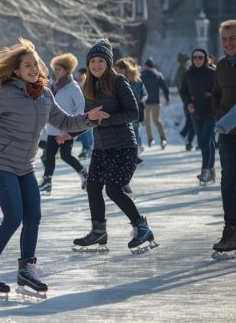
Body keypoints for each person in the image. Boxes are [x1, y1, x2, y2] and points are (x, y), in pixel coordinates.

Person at [0, 39, 105, 299]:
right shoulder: (5, 94)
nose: (33, 68)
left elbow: (63, 121)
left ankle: (27, 269)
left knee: (34, 215)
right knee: (14, 216)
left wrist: (88, 119)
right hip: (0, 162)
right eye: (27, 65)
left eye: (35, 64)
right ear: (16, 71)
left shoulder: (45, 94)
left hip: (25, 165)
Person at [70, 39, 158, 255]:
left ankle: (142, 228)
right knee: (92, 186)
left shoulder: (118, 81)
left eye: (101, 61)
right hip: (102, 148)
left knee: (114, 189)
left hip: (124, 146)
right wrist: (70, 134)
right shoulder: (89, 86)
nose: (96, 65)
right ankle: (98, 230)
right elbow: (91, 119)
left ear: (108, 63)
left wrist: (106, 120)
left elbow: (134, 112)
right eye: (93, 61)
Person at [38, 53, 88, 195]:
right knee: (49, 155)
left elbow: (81, 106)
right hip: (52, 128)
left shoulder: (73, 87)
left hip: (67, 128)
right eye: (55, 69)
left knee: (66, 155)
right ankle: (47, 181)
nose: (56, 72)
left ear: (67, 70)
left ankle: (84, 173)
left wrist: (74, 122)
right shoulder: (53, 86)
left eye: (59, 69)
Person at [211, 19, 236, 259]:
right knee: (228, 179)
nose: (228, 43)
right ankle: (231, 230)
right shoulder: (221, 66)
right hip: (227, 135)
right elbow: (216, 94)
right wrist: (218, 112)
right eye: (225, 39)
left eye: (233, 38)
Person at [180, 48, 217, 186]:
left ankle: (205, 171)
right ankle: (211, 170)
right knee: (207, 141)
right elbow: (183, 92)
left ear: (205, 58)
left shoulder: (213, 73)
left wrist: (212, 94)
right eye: (195, 57)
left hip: (210, 112)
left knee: (204, 140)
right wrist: (188, 103)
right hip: (196, 113)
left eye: (200, 57)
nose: (197, 60)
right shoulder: (188, 74)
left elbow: (221, 90)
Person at [115, 58, 147, 164]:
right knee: (133, 132)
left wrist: (141, 102)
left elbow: (144, 94)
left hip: (131, 109)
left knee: (131, 132)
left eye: (118, 69)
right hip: (131, 109)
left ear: (124, 69)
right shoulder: (120, 79)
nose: (116, 71)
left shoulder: (132, 80)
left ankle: (132, 155)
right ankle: (133, 155)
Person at [141, 58, 170, 148]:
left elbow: (139, 88)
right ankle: (163, 138)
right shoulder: (158, 75)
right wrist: (167, 98)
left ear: (146, 66)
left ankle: (151, 139)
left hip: (146, 102)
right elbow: (164, 87)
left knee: (147, 121)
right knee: (156, 120)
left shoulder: (142, 75)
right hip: (155, 102)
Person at [74, 67, 94, 159]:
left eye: (79, 74)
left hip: (88, 110)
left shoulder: (87, 83)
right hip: (83, 111)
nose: (78, 76)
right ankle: (87, 149)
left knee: (86, 131)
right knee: (86, 131)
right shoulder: (80, 84)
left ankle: (87, 149)